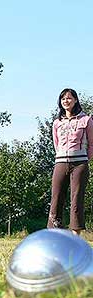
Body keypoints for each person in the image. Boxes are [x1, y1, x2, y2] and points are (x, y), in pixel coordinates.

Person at [47, 88, 93, 235]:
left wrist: (85, 159)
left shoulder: (86, 120)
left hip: (79, 163)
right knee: (56, 197)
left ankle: (75, 237)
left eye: (69, 98)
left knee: (76, 199)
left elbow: (92, 144)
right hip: (60, 162)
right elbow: (56, 143)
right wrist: (61, 156)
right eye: (63, 99)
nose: (66, 101)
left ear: (75, 100)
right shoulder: (56, 123)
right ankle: (56, 234)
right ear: (60, 102)